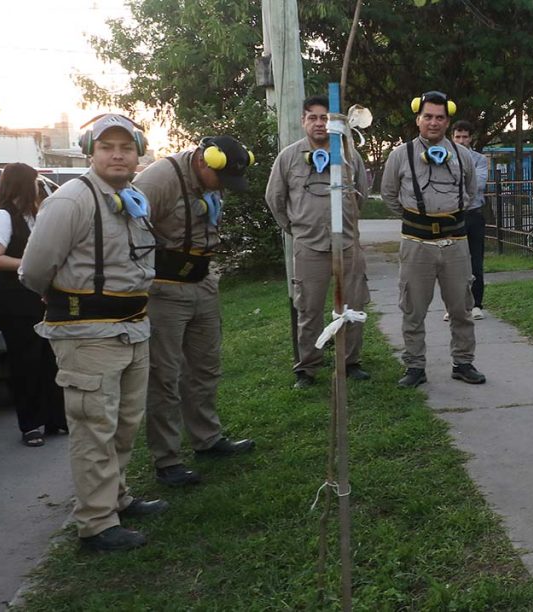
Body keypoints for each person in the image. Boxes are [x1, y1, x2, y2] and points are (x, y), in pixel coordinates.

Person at [20, 113, 167, 552]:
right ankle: (96, 523)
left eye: (126, 147)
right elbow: (33, 269)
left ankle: (116, 499)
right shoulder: (71, 200)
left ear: (138, 153)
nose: (118, 154)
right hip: (89, 335)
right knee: (93, 429)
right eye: (107, 147)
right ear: (91, 151)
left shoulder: (133, 197)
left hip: (133, 329)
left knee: (123, 425)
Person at [133, 135, 256, 487]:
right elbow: (132, 234)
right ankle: (167, 459)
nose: (224, 188)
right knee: (165, 375)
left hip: (202, 281)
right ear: (205, 161)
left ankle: (207, 438)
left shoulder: (212, 178)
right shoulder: (158, 180)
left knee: (205, 367)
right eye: (223, 180)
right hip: (165, 288)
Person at [265, 95, 371, 389]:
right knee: (308, 308)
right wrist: (296, 228)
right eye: (312, 117)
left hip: (347, 244)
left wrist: (347, 224)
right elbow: (275, 199)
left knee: (351, 304)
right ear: (303, 122)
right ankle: (307, 367)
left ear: (332, 121)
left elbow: (361, 192)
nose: (319, 123)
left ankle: (350, 362)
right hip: (309, 247)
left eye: (324, 117)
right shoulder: (288, 157)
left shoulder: (350, 155)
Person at [381, 90, 484, 388]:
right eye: (428, 117)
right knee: (412, 310)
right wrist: (418, 218)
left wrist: (447, 213)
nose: (434, 123)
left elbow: (470, 191)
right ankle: (414, 367)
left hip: (455, 244)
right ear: (418, 119)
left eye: (440, 117)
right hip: (416, 245)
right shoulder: (399, 156)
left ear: (447, 121)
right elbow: (389, 194)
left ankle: (463, 363)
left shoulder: (462, 155)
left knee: (462, 309)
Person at [0, 163, 67, 447]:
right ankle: (30, 425)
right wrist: (32, 266)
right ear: (22, 183)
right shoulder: (1, 216)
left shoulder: (32, 214)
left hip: (36, 299)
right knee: (25, 363)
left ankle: (55, 419)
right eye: (34, 181)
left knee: (48, 360)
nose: (37, 187)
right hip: (14, 302)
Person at [446, 120, 489, 320]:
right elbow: (442, 185)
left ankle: (476, 304)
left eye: (465, 137)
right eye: (457, 136)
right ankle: (454, 305)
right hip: (452, 215)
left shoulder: (479, 159)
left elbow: (478, 184)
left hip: (474, 214)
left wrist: (456, 183)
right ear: (452, 137)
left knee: (475, 261)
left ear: (470, 138)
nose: (461, 140)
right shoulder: (444, 157)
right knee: (452, 262)